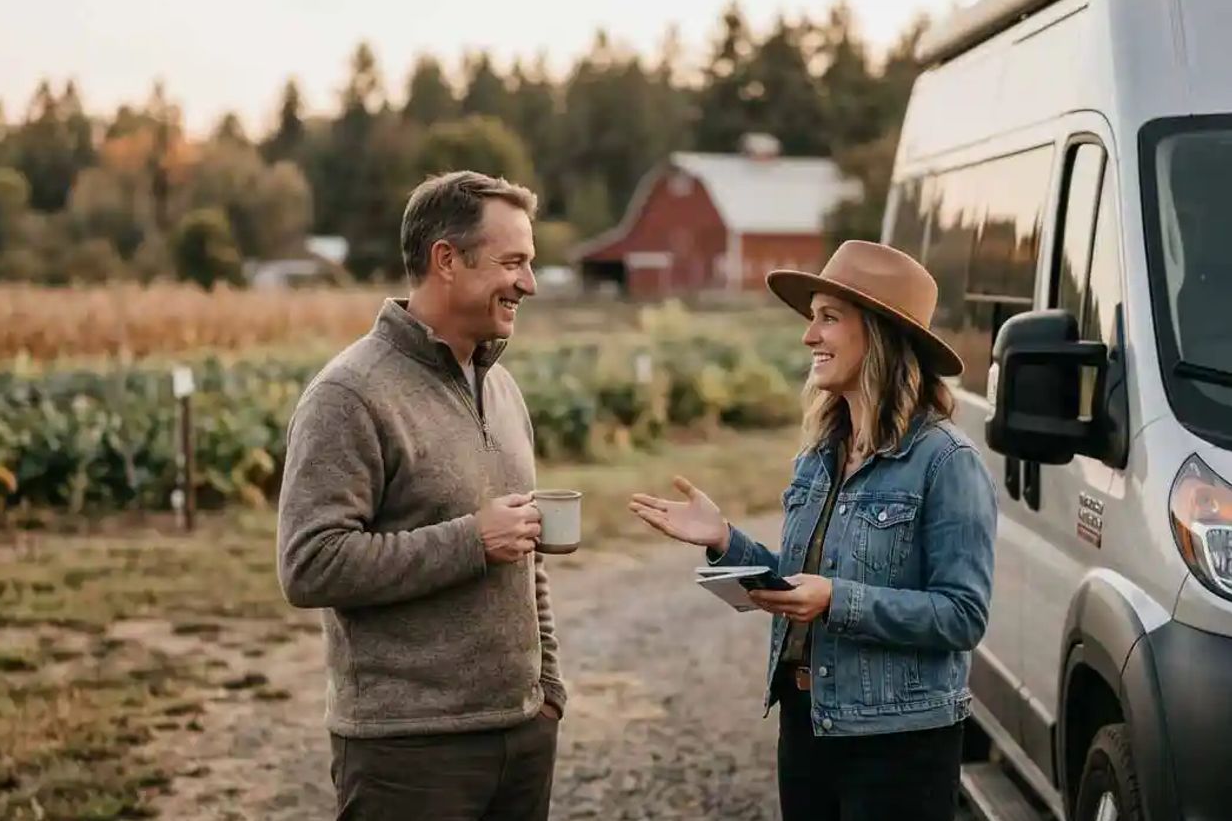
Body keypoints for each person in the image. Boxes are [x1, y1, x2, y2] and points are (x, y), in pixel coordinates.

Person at [630, 240, 997, 820]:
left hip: (898, 743)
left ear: (878, 335)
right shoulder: (820, 455)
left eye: (828, 318)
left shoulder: (947, 462)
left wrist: (836, 601)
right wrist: (724, 539)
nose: (809, 336)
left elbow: (962, 615)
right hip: (806, 724)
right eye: (812, 318)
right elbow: (805, 580)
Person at [277, 170, 565, 821]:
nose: (530, 283)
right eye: (512, 262)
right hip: (408, 753)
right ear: (446, 260)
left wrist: (547, 689)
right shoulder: (349, 395)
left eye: (529, 263)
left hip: (522, 736)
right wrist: (471, 540)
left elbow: (525, 549)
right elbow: (309, 564)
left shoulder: (502, 387)